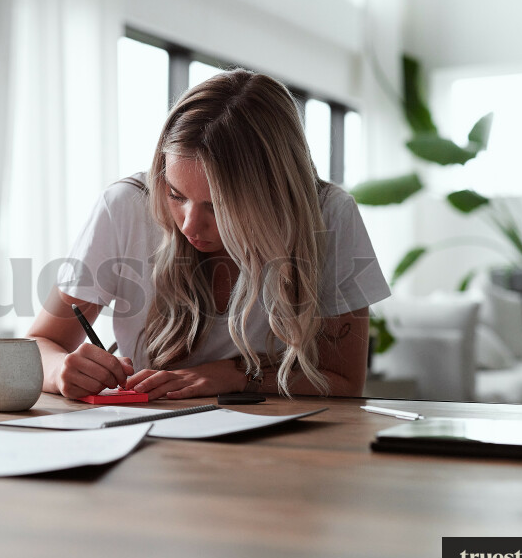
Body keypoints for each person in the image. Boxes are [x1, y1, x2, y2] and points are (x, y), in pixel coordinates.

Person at [27, 69, 390, 401]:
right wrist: (62, 370)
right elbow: (38, 345)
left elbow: (343, 381)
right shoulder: (126, 205)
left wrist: (237, 374)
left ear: (274, 196)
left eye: (217, 207)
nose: (188, 225)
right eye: (175, 194)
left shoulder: (327, 216)